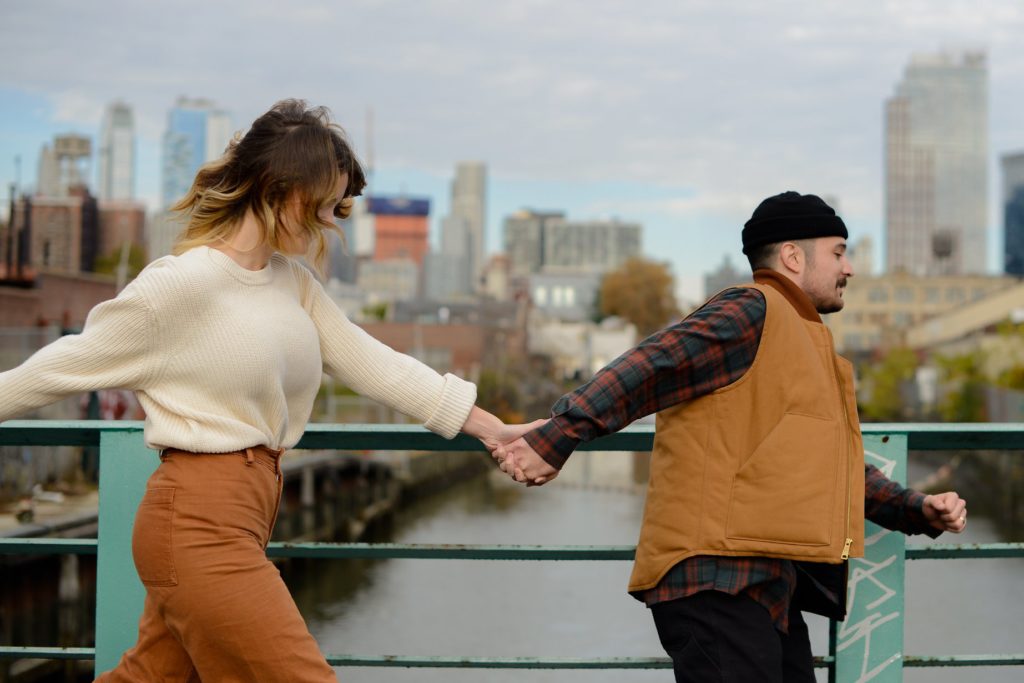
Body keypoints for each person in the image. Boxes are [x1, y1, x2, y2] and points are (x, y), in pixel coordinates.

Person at [0, 99, 538, 682]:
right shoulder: (180, 285)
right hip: (197, 524)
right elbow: (54, 368)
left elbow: (377, 365)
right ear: (279, 189)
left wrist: (490, 426)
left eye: (338, 207)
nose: (332, 221)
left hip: (247, 517)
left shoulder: (293, 284)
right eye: (325, 204)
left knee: (149, 678)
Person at [495, 191, 968, 683]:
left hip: (765, 587)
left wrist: (915, 509)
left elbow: (831, 467)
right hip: (717, 585)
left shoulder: (806, 342)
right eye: (838, 251)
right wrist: (558, 436)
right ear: (792, 256)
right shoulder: (751, 310)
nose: (848, 267)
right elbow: (652, 364)